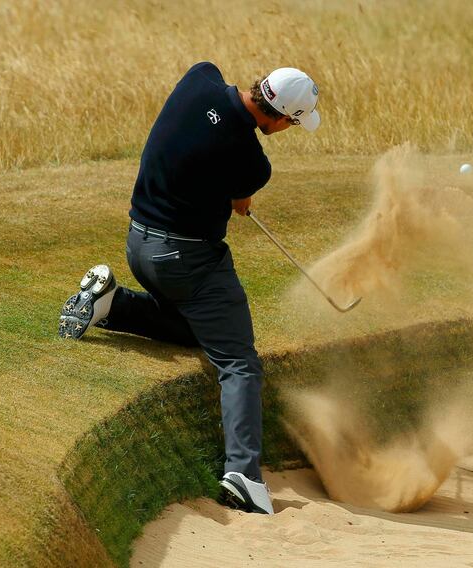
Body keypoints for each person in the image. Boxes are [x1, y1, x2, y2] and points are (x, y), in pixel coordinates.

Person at [58, 62, 320, 515]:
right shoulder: (253, 162)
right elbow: (241, 187)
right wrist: (241, 191)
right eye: (293, 123)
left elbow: (206, 139)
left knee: (200, 330)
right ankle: (243, 474)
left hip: (138, 243)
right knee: (239, 360)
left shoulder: (201, 77)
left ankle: (110, 306)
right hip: (184, 261)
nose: (287, 130)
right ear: (279, 119)